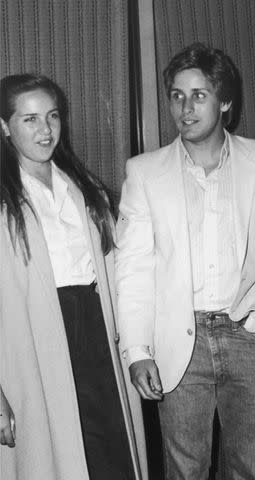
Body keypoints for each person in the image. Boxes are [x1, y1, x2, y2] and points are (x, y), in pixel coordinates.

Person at [115, 43, 255, 480]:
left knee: (252, 468)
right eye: (177, 95)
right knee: (185, 471)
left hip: (246, 332)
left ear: (225, 102)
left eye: (199, 95)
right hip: (179, 341)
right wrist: (138, 350)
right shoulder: (144, 172)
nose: (185, 107)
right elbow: (134, 268)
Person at [0, 74, 147, 480]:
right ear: (3, 127)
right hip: (31, 343)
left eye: (52, 116)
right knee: (53, 459)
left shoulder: (85, 190)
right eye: (29, 119)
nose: (45, 130)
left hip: (96, 331)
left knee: (109, 451)